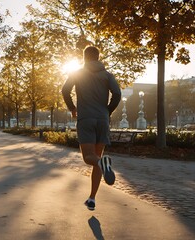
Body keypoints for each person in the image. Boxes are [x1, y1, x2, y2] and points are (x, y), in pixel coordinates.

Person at [61, 46, 121, 211]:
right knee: (98, 161)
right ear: (98, 57)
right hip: (102, 120)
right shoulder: (108, 75)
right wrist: (107, 111)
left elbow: (65, 90)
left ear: (84, 58)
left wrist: (72, 108)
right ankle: (92, 198)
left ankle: (103, 164)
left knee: (89, 158)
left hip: (86, 118)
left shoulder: (78, 73)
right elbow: (117, 95)